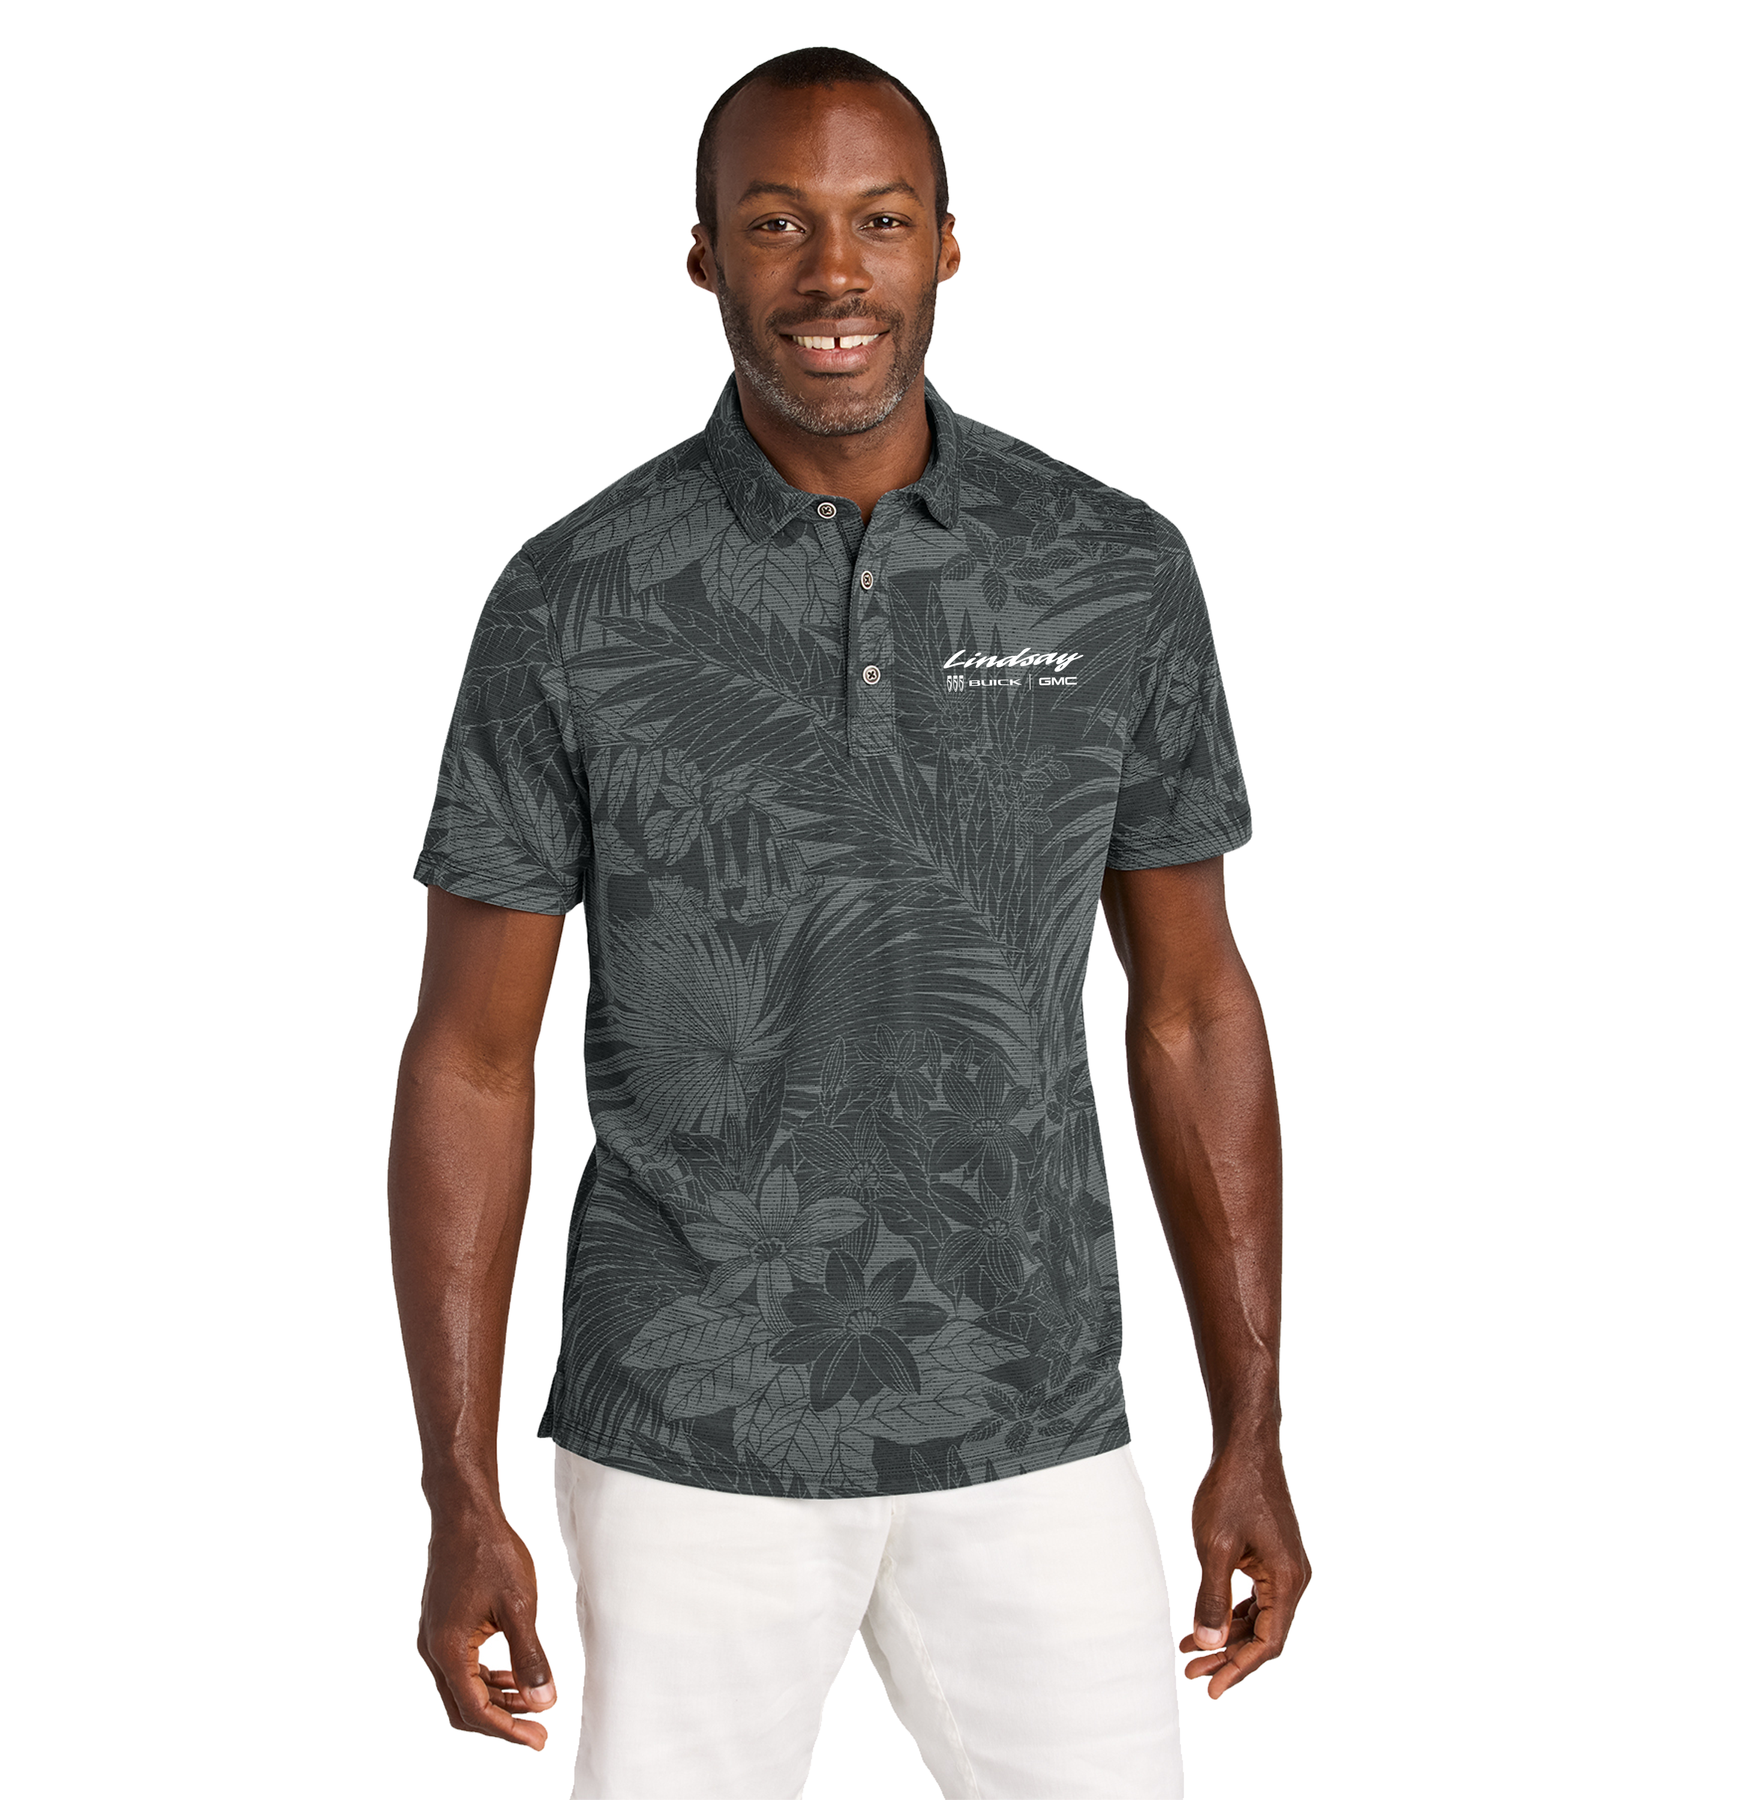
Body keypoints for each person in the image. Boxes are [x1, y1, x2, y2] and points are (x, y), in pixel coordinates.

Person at [390, 44, 1309, 1800]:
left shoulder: (1110, 569)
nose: (833, 274)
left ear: (947, 245)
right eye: (775, 224)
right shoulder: (575, 597)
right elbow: (470, 1057)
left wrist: (1251, 1426)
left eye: (880, 222)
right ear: (702, 256)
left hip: (1035, 1411)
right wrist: (456, 1489)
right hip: (686, 1431)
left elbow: (1192, 1006)